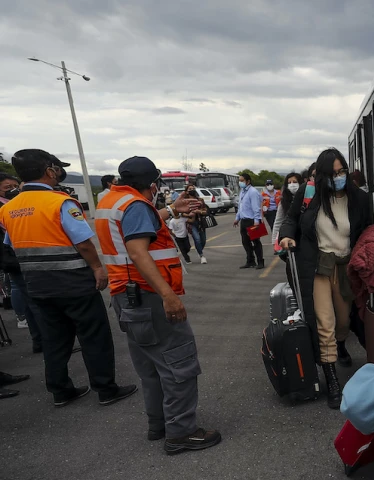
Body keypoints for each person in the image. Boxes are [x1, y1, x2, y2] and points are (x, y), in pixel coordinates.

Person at [96, 156, 221, 454]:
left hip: (125, 296)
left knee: (150, 367)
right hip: (148, 297)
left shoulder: (112, 200)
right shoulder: (136, 205)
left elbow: (138, 224)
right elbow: (139, 252)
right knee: (179, 365)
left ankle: (159, 424)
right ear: (151, 184)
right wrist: (168, 295)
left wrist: (169, 210)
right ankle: (181, 433)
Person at [0, 149, 137, 408]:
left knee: (54, 340)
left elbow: (12, 244)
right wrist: (97, 267)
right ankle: (106, 389)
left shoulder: (9, 208)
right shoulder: (60, 202)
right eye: (56, 168)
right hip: (73, 282)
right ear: (49, 170)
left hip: (37, 286)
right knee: (93, 336)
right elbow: (83, 243)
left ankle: (61, 391)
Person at [280, 148, 371, 409]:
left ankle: (341, 345)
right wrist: (287, 236)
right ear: (321, 176)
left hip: (345, 268)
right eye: (333, 173)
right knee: (325, 323)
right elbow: (290, 220)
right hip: (318, 267)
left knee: (344, 321)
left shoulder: (358, 199)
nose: (338, 177)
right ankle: (332, 379)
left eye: (342, 171)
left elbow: (366, 230)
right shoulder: (309, 196)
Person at [234, 173, 265, 269]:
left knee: (256, 242)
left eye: (242, 180)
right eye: (239, 180)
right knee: (245, 242)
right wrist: (237, 218)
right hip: (244, 220)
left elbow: (256, 208)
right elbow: (240, 207)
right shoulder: (242, 192)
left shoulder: (253, 192)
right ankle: (250, 261)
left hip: (252, 220)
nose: (240, 182)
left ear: (248, 181)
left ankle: (260, 261)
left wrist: (256, 221)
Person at [185, 185, 208, 264]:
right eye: (190, 189)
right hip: (191, 223)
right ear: (187, 191)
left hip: (200, 222)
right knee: (197, 239)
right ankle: (202, 255)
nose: (192, 190)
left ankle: (199, 250)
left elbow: (205, 211)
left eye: (193, 189)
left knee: (203, 240)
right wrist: (189, 215)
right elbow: (181, 214)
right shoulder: (184, 201)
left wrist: (199, 211)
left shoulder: (200, 200)